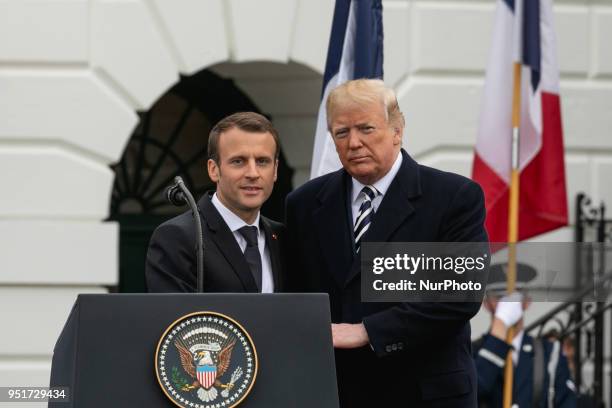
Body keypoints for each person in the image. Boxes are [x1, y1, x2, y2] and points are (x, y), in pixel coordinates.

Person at [285, 79, 488, 406]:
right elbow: (294, 296)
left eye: (366, 128)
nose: (353, 143)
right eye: (341, 132)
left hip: (424, 395)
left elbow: (458, 298)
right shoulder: (304, 205)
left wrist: (367, 331)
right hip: (337, 394)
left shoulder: (453, 198)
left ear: (397, 130)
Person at [146, 112, 284, 293]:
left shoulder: (283, 238)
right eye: (238, 161)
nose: (252, 173)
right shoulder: (178, 238)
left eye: (262, 161)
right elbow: (174, 318)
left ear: (275, 170)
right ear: (213, 170)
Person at [473, 263, 577, 407]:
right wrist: (499, 330)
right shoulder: (472, 352)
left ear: (527, 301)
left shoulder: (549, 353)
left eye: (513, 297)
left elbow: (567, 402)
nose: (507, 305)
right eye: (499, 297)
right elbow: (474, 389)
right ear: (485, 303)